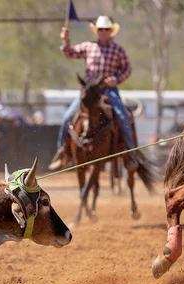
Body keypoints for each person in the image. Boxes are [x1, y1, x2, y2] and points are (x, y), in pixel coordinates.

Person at [48, 15, 136, 171]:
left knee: (123, 117)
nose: (103, 32)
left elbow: (127, 69)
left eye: (106, 29)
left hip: (109, 90)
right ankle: (62, 152)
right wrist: (65, 40)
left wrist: (116, 79)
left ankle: (130, 153)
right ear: (97, 31)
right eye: (100, 29)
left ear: (111, 31)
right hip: (89, 92)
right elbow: (69, 53)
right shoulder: (88, 46)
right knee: (67, 117)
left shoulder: (118, 50)